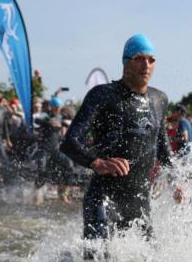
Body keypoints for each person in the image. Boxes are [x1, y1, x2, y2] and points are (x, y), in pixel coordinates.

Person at [61, 34, 177, 249]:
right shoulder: (102, 95)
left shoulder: (159, 99)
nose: (146, 65)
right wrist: (98, 163)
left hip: (139, 200)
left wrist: (178, 180)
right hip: (103, 197)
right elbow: (70, 142)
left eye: (151, 59)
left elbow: (162, 147)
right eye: (139, 58)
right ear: (126, 62)